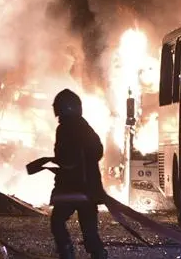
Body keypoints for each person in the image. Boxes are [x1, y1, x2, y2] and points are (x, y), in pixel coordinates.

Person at [49, 89, 108, 259]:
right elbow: (98, 151)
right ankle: (98, 254)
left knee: (57, 221)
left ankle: (66, 251)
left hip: (70, 187)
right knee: (89, 229)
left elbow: (62, 157)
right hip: (88, 189)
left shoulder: (64, 128)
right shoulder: (85, 126)